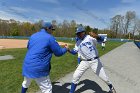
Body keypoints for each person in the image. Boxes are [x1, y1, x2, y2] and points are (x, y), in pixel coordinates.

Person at [21, 22, 69, 93]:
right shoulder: (50, 37)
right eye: (52, 29)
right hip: (39, 68)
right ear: (47, 29)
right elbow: (58, 53)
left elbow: (29, 47)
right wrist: (66, 49)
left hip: (27, 66)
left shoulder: (33, 36)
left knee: (25, 83)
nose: (52, 31)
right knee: (47, 89)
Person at [68, 26, 116, 93]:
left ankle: (111, 87)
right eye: (77, 33)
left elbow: (102, 40)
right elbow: (74, 52)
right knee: (75, 76)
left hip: (94, 61)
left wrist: (97, 36)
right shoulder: (78, 42)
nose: (78, 34)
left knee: (104, 77)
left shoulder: (90, 37)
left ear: (83, 32)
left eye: (79, 33)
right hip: (84, 62)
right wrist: (68, 50)